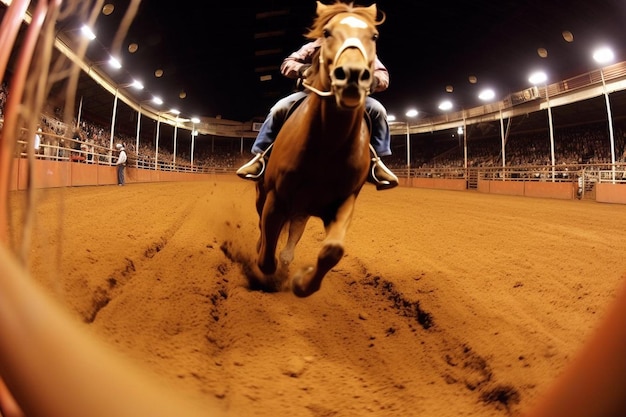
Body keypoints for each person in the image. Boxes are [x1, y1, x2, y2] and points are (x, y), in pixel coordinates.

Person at [236, 38, 398, 191]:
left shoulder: (363, 48)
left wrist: (374, 80)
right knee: (278, 109)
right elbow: (288, 63)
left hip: (349, 94)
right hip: (312, 93)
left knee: (378, 110)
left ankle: (375, 161)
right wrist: (303, 69)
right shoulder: (315, 46)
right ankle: (261, 157)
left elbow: (381, 73)